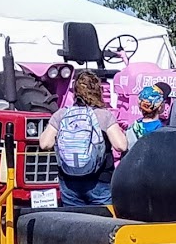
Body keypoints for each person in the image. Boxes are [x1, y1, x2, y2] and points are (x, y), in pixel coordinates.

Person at [39, 70, 127, 208]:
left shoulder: (62, 114)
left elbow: (45, 144)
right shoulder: (103, 116)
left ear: (75, 92)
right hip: (99, 181)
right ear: (98, 91)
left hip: (69, 182)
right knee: (104, 225)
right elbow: (121, 146)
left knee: (74, 225)